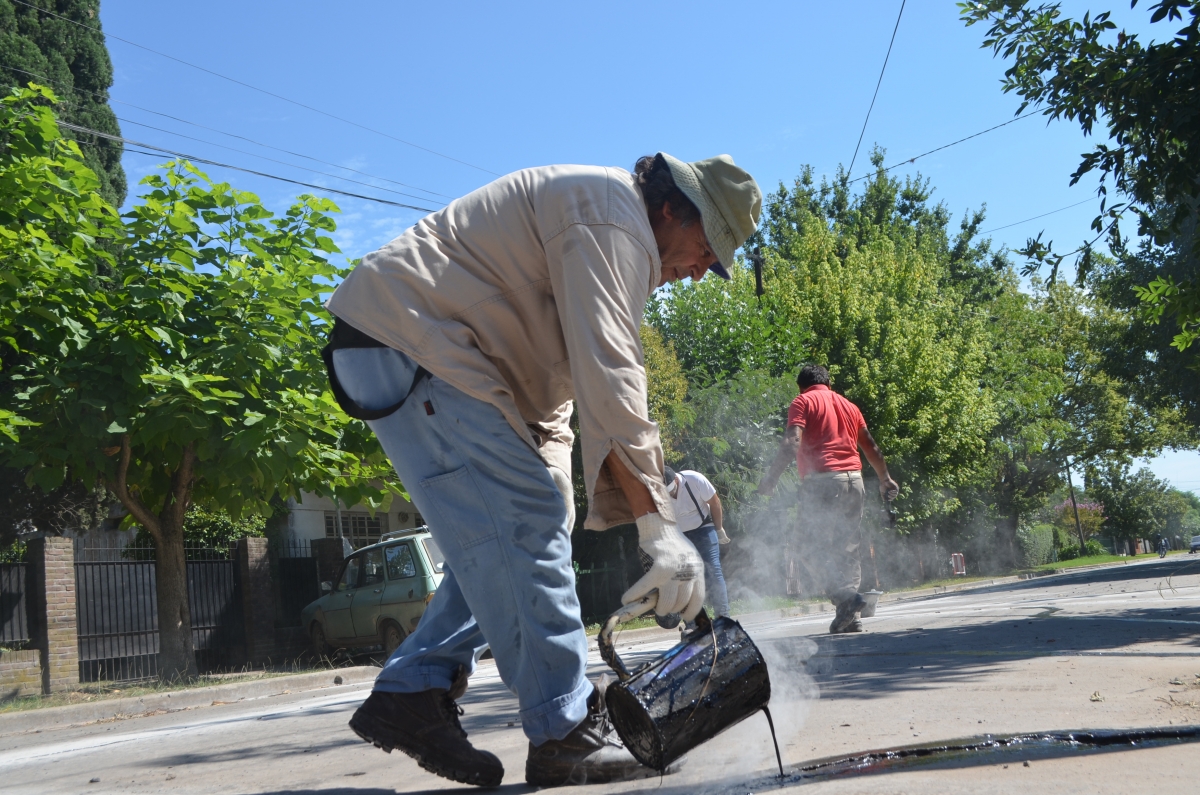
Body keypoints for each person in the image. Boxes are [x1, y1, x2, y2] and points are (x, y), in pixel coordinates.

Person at [322, 153, 761, 787]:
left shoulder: (617, 233)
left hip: (450, 356)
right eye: (705, 248)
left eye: (715, 265)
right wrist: (657, 523)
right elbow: (612, 369)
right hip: (413, 337)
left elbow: (558, 390)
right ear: (672, 208)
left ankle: (413, 689)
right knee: (524, 523)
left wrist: (554, 495)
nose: (699, 272)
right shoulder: (612, 215)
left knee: (529, 525)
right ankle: (565, 730)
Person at [756, 364, 898, 634]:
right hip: (854, 481)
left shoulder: (803, 401)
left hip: (822, 483)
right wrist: (885, 478)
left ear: (801, 386)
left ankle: (844, 598)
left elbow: (791, 442)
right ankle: (851, 617)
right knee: (847, 548)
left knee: (805, 546)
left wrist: (771, 479)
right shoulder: (849, 406)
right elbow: (870, 446)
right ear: (829, 384)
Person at [664, 466, 731, 620]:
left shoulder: (695, 479)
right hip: (680, 535)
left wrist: (719, 529)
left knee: (713, 570)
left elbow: (715, 503)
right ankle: (695, 622)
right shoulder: (659, 493)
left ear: (675, 480)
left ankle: (723, 616)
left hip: (704, 528)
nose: (671, 494)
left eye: (672, 490)